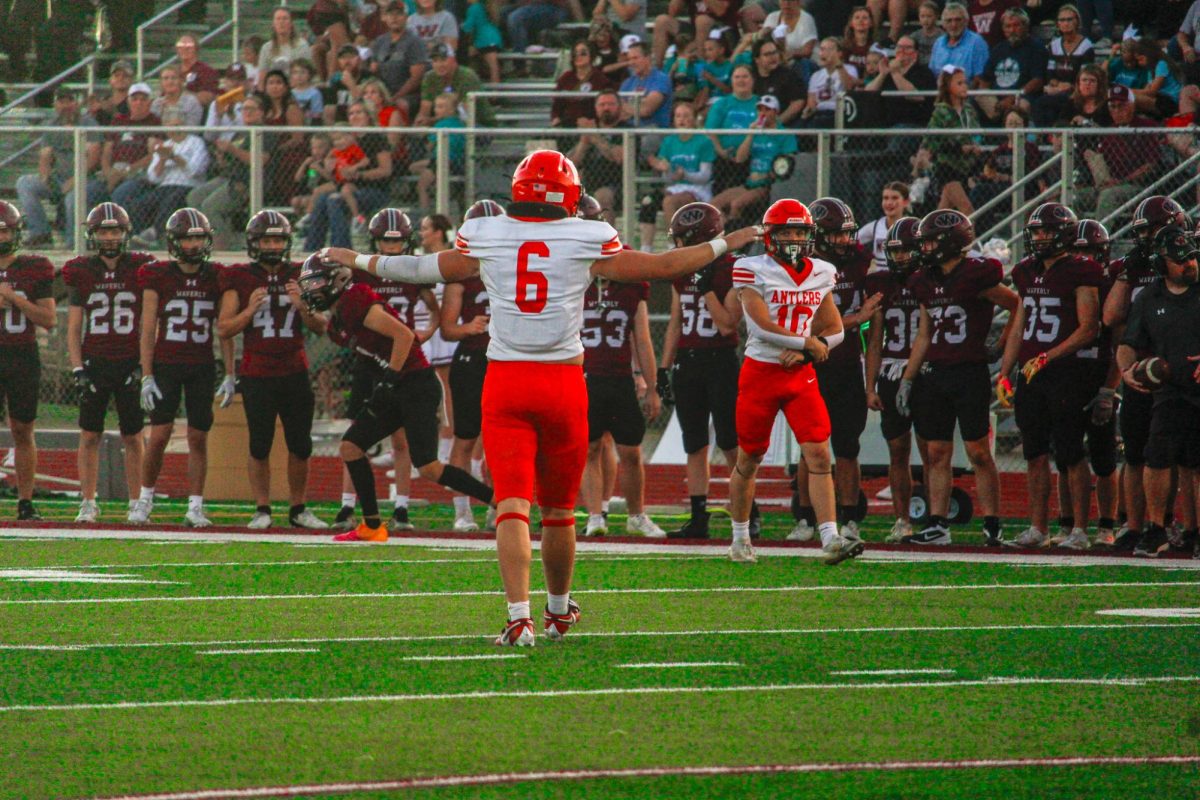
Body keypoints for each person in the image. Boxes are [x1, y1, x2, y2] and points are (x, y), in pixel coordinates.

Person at [321, 149, 759, 646]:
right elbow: (661, 267)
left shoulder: (488, 231)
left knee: (511, 505)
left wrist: (357, 258)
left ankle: (517, 617)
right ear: (569, 195)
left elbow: (422, 268)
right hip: (564, 384)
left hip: (506, 382)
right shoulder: (587, 234)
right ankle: (556, 611)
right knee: (557, 511)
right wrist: (726, 242)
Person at [295, 255, 495, 544]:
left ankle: (497, 501)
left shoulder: (356, 299)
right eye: (308, 285)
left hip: (416, 383)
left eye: (315, 283)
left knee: (428, 467)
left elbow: (404, 336)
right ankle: (373, 526)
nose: (311, 290)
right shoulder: (337, 323)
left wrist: (389, 378)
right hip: (396, 385)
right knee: (351, 447)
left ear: (337, 280)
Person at [726, 198, 861, 565]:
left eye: (799, 231)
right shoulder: (752, 268)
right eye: (785, 230)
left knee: (819, 452)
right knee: (749, 458)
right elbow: (758, 326)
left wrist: (806, 353)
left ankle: (830, 537)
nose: (793, 237)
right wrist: (806, 343)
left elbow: (835, 331)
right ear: (770, 235)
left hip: (799, 373)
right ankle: (739, 537)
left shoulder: (821, 271)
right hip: (760, 373)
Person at [897, 209, 1017, 545]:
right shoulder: (923, 279)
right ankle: (938, 524)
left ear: (952, 241)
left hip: (968, 372)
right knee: (936, 453)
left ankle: (992, 524)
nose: (927, 246)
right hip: (935, 373)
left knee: (978, 452)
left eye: (933, 239)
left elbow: (1015, 304)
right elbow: (924, 333)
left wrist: (1001, 344)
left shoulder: (976, 274)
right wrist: (908, 378)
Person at [997, 203, 1102, 550]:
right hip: (1032, 372)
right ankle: (1037, 528)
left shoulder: (1081, 270)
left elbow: (1089, 328)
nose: (1040, 237)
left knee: (1071, 452)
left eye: (1046, 231)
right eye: (1036, 231)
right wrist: (1005, 371)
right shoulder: (1025, 270)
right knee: (1034, 452)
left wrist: (1049, 356)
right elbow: (1019, 325)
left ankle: (1080, 531)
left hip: (1067, 372)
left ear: (1064, 234)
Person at [217, 211, 328, 530]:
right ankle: (262, 508)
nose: (272, 245)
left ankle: (298, 508)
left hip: (294, 370)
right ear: (254, 243)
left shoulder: (301, 273)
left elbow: (321, 326)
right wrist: (251, 309)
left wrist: (302, 306)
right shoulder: (239, 276)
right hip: (257, 372)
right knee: (259, 443)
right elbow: (224, 328)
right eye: (266, 239)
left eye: (278, 239)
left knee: (300, 444)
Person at [332, 208, 441, 533]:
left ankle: (402, 507)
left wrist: (427, 333)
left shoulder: (414, 272)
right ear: (375, 241)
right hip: (370, 361)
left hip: (402, 360)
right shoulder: (364, 274)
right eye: (385, 242)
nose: (391, 249)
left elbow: (434, 311)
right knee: (355, 435)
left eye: (396, 242)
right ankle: (347, 505)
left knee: (401, 439)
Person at [131, 209, 236, 527]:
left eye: (198, 237)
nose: (193, 243)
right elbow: (148, 328)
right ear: (174, 242)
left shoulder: (217, 275)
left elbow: (225, 328)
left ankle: (195, 506)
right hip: (167, 363)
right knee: (160, 434)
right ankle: (144, 499)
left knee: (197, 437)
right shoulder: (158, 274)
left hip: (201, 364)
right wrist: (146, 373)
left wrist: (231, 372)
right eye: (187, 237)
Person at [791, 198, 881, 543]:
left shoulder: (861, 261)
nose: (846, 241)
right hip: (813, 364)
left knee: (847, 446)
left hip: (846, 367)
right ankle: (805, 516)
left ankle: (850, 516)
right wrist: (856, 319)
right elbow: (808, 324)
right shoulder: (805, 265)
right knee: (809, 446)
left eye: (848, 234)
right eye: (838, 235)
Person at [1101, 195, 1188, 550]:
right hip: (1142, 369)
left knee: (1178, 457)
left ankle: (1170, 525)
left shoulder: (1188, 262)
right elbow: (1110, 317)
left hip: (1182, 370)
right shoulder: (1132, 267)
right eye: (1145, 231)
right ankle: (1135, 526)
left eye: (1156, 229)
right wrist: (1126, 273)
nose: (1150, 237)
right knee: (1136, 454)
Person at [63, 203, 157, 524]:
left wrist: (145, 367)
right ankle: (88, 501)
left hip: (129, 360)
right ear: (93, 235)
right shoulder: (83, 272)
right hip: (96, 361)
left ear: (125, 233)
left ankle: (136, 502)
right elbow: (74, 327)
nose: (109, 236)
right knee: (89, 435)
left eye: (114, 230)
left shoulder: (141, 269)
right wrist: (78, 368)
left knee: (133, 436)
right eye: (103, 231)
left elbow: (149, 322)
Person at [659, 202, 745, 539]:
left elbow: (727, 325)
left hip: (720, 361)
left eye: (683, 240)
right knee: (693, 443)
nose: (678, 246)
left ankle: (747, 511)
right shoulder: (682, 271)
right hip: (688, 362)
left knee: (729, 441)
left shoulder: (733, 269)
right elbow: (676, 321)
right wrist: (663, 368)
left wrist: (707, 286)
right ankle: (699, 518)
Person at [1116, 224, 1200, 558]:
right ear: (1161, 264)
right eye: (1181, 260)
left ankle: (1195, 532)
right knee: (1156, 456)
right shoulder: (1149, 297)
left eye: (1192, 256)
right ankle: (1156, 528)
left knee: (1196, 464)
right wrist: (1126, 370)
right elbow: (1128, 342)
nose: (1189, 264)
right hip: (1170, 391)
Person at [579, 267, 665, 538]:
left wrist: (652, 388)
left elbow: (643, 340)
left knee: (631, 451)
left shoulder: (631, 287)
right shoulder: (574, 283)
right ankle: (595, 516)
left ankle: (636, 515)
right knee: (590, 449)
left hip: (619, 378)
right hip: (584, 377)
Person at [440, 200, 504, 533]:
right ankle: (463, 510)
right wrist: (469, 328)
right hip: (472, 360)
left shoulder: (513, 266)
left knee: (500, 440)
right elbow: (448, 328)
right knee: (465, 438)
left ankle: (499, 506)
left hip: (504, 360)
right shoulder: (460, 271)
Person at [863, 216, 928, 542]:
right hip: (891, 369)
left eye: (906, 251)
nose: (900, 257)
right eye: (895, 251)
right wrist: (869, 385)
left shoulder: (931, 278)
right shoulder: (880, 282)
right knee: (898, 450)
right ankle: (902, 520)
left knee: (932, 450)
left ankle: (935, 519)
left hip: (927, 371)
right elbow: (874, 339)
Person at [1058, 217, 1120, 547]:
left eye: (1089, 253)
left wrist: (1109, 389)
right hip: (1068, 377)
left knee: (1104, 457)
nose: (1084, 261)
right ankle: (1068, 524)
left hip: (1098, 375)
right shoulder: (1065, 284)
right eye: (1076, 253)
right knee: (1066, 454)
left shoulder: (1112, 288)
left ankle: (1107, 525)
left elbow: (1120, 345)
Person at [0, 202, 55, 521]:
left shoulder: (33, 267)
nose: (2, 236)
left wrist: (13, 298)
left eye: (5, 230)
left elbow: (49, 319)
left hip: (22, 354)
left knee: (23, 429)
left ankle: (25, 501)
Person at [711, 95, 797, 226]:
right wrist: (750, 135)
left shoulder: (784, 134)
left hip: (767, 185)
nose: (763, 113)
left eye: (767, 110)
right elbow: (740, 158)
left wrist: (768, 175)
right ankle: (725, 232)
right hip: (750, 183)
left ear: (775, 112)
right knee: (713, 205)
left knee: (736, 204)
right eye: (760, 110)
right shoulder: (756, 132)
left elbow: (788, 161)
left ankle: (738, 239)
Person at [129, 109, 210, 248]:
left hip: (188, 185)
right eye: (170, 127)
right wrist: (162, 159)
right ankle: (135, 237)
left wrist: (174, 157)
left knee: (171, 201)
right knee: (139, 204)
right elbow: (153, 178)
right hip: (165, 186)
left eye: (178, 126)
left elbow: (196, 170)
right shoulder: (164, 146)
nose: (174, 130)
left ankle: (155, 234)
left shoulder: (196, 143)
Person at [642, 103, 716, 250]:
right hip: (675, 187)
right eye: (678, 116)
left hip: (697, 188)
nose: (682, 120)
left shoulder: (704, 141)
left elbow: (705, 176)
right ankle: (645, 249)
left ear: (694, 119)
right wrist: (664, 169)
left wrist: (685, 174)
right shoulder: (669, 141)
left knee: (669, 202)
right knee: (648, 203)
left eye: (687, 116)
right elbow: (668, 177)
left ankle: (674, 245)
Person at [920, 66, 982, 215]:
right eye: (959, 83)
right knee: (967, 211)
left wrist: (975, 145)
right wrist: (959, 148)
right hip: (947, 167)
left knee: (942, 213)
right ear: (948, 87)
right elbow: (932, 141)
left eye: (965, 83)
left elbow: (977, 133)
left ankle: (927, 236)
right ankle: (971, 239)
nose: (964, 86)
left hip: (967, 166)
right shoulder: (941, 111)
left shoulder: (969, 110)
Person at [973, 8, 1046, 124]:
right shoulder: (998, 49)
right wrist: (989, 97)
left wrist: (1012, 98)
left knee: (1020, 107)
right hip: (997, 99)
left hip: (1022, 97)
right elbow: (985, 80)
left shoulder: (1036, 48)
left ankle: (1017, 138)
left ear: (1026, 26)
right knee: (973, 99)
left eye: (1016, 25)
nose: (1012, 30)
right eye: (1008, 26)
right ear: (1003, 29)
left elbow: (1037, 81)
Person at [415, 43, 494, 127]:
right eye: (435, 61)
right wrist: (420, 121)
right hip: (443, 124)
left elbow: (465, 113)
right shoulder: (429, 77)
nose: (439, 65)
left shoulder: (467, 76)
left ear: (453, 60)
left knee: (447, 125)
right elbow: (425, 108)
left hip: (478, 125)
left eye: (443, 60)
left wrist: (430, 120)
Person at [371, 2, 429, 116]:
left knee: (400, 105)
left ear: (406, 17)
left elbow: (416, 78)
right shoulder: (379, 42)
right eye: (390, 14)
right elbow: (374, 71)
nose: (394, 18)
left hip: (410, 95)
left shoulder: (414, 42)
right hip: (384, 92)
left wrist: (394, 98)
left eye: (399, 14)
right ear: (385, 17)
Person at [552, 41, 614, 128]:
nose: (578, 56)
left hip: (594, 124)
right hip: (568, 124)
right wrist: (555, 118)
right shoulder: (565, 78)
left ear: (591, 56)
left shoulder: (601, 79)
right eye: (575, 54)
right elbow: (557, 105)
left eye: (583, 53)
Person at [750, 37, 807, 128]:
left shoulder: (788, 75)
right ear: (757, 59)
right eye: (767, 54)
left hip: (783, 127)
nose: (773, 57)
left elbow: (798, 102)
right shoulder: (750, 77)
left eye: (775, 52)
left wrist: (777, 123)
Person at [857, 181, 912, 270]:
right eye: (885, 198)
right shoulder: (875, 226)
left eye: (895, 198)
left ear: (906, 202)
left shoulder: (912, 226)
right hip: (881, 281)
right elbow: (852, 240)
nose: (889, 203)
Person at [930, 3, 990, 83]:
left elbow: (980, 78)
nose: (954, 25)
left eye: (958, 20)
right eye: (949, 20)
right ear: (943, 24)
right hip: (942, 93)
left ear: (966, 21)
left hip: (967, 93)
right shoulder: (938, 43)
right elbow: (933, 73)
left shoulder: (977, 42)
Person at [620, 41, 673, 128]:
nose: (631, 63)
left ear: (647, 58)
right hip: (629, 131)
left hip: (654, 131)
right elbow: (618, 111)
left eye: (635, 58)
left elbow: (646, 110)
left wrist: (625, 107)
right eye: (629, 59)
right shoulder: (627, 83)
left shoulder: (661, 79)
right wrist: (639, 106)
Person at [259, 7, 309, 82]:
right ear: (273, 23)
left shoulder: (302, 45)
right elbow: (262, 77)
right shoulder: (266, 48)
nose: (281, 22)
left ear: (291, 23)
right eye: (278, 19)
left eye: (285, 18)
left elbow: (305, 75)